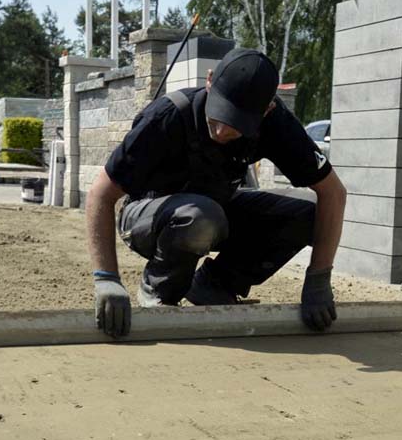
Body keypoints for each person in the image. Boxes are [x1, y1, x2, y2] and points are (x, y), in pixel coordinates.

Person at [85, 47, 348, 338]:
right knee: (200, 217)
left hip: (213, 210)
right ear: (209, 81)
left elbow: (333, 193)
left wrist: (319, 277)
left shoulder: (277, 125)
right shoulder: (167, 117)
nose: (222, 132)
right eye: (218, 117)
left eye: (236, 125)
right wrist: (107, 279)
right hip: (146, 216)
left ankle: (215, 284)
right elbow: (100, 194)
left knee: (307, 215)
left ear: (267, 110)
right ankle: (160, 291)